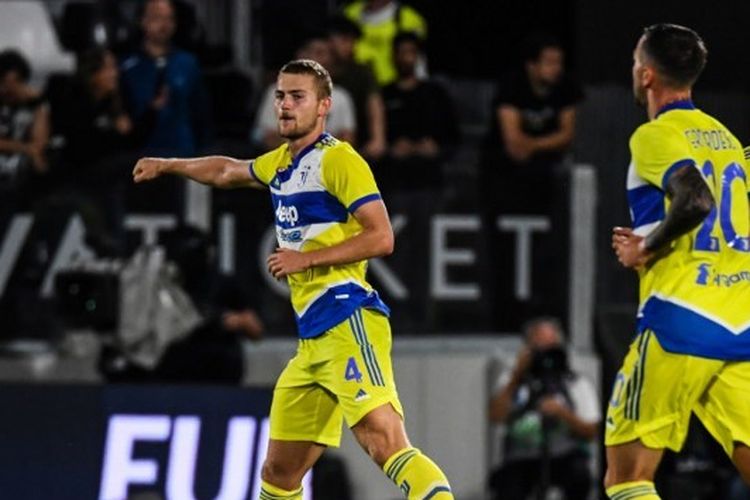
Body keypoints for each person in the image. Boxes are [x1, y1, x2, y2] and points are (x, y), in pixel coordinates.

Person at [133, 58, 453, 500]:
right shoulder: (281, 163)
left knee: (385, 443)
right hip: (312, 342)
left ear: (324, 107)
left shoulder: (339, 159)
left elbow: (381, 236)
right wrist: (169, 164)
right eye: (281, 96)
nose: (284, 105)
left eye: (297, 97)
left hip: (347, 317)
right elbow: (227, 170)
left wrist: (308, 259)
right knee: (279, 472)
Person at [606, 24, 750, 500]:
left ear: (647, 76)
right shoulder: (725, 138)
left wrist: (645, 248)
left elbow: (695, 201)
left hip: (680, 322)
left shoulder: (654, 135)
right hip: (740, 323)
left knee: (627, 477)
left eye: (633, 63)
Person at [488, 317, 599, 500]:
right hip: (522, 458)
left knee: (580, 476)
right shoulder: (513, 381)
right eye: (539, 348)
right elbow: (495, 416)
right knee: (505, 483)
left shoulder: (576, 383)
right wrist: (517, 375)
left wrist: (562, 413)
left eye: (551, 347)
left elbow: (591, 431)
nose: (545, 354)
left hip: (564, 456)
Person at [120, 0, 211, 215]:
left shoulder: (188, 63)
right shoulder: (126, 66)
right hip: (140, 159)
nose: (164, 25)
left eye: (169, 19)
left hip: (182, 155)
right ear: (143, 21)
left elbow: (201, 113)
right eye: (157, 18)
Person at [251, 34, 356, 153]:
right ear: (300, 55)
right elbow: (267, 137)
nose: (325, 59)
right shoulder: (276, 91)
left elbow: (346, 141)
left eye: (324, 54)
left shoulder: (342, 97)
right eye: (315, 52)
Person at [327, 15, 386, 160]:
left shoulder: (361, 72)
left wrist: (377, 139)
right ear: (330, 41)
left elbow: (374, 104)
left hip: (354, 141)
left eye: (352, 41)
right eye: (345, 40)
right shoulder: (315, 69)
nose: (351, 46)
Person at [0, 49, 49, 205]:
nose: (7, 89)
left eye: (13, 83)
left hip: (20, 176)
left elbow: (39, 143)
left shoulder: (34, 105)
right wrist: (24, 148)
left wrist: (38, 103)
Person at [343, 0, 427, 86]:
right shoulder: (350, 13)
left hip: (392, 89)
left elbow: (417, 61)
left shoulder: (408, 19)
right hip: (355, 86)